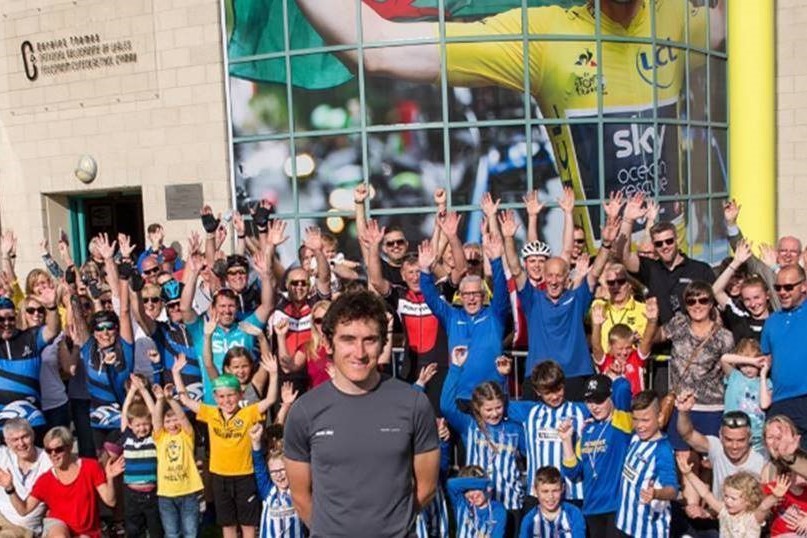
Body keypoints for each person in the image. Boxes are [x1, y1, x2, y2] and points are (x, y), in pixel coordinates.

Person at [294, 0, 724, 246]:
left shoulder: (680, 16)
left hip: (687, 271)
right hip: (606, 281)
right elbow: (380, 47)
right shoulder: (544, 35)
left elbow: (738, 28)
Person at [283, 290, 440, 537]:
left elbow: (427, 487)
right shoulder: (304, 411)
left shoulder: (414, 404)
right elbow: (301, 496)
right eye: (348, 339)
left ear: (383, 343)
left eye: (369, 339)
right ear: (328, 343)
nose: (359, 352)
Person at [516, 213, 618, 401]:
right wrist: (507, 238)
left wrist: (606, 245)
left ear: (567, 278)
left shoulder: (577, 299)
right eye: (550, 276)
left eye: (559, 276)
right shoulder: (532, 299)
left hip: (574, 376)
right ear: (544, 277)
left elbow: (594, 273)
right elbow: (516, 269)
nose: (554, 281)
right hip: (538, 377)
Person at [172, 354, 277, 538]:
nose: (226, 401)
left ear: (240, 395)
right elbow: (186, 401)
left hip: (245, 476)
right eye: (221, 396)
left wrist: (274, 374)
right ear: (215, 397)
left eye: (231, 395)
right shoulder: (211, 413)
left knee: (248, 524)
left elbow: (269, 400)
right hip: (220, 477)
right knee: (227, 525)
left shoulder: (248, 413)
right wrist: (175, 374)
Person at [419, 230, 510, 399]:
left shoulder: (495, 315)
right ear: (460, 296)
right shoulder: (452, 317)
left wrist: (497, 261)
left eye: (476, 294)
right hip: (461, 396)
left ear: (483, 296)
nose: (471, 298)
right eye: (466, 294)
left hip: (492, 397)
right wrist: (424, 271)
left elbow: (502, 291)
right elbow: (431, 299)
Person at [440, 347, 525, 511]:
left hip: (511, 504)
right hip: (479, 504)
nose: (494, 414)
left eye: (498, 408)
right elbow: (446, 406)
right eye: (489, 410)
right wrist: (456, 368)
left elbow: (531, 453)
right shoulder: (470, 426)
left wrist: (501, 378)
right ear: (478, 408)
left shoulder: (514, 429)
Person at [0, 426, 125, 538]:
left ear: (70, 447)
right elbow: (24, 510)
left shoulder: (90, 467)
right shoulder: (46, 479)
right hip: (57, 524)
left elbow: (111, 501)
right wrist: (10, 488)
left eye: (58, 449)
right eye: (49, 451)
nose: (53, 454)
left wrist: (110, 477)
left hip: (87, 530)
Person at [654, 281, 734, 451]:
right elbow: (655, 337)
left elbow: (730, 375)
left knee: (709, 462)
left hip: (712, 407)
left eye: (703, 300)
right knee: (682, 460)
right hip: (680, 405)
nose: (697, 305)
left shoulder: (724, 336)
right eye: (691, 301)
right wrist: (651, 319)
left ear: (711, 303)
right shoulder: (678, 324)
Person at [560, 375, 632, 538]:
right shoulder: (587, 430)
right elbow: (573, 473)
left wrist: (615, 377)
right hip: (591, 507)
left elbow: (623, 388)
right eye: (590, 401)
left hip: (615, 508)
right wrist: (566, 441)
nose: (594, 406)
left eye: (599, 400)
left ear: (611, 398)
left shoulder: (621, 423)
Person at [508, 360, 588, 504]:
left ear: (564, 385)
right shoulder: (529, 411)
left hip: (572, 492)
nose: (554, 396)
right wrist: (503, 377)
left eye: (558, 390)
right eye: (547, 393)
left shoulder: (580, 411)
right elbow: (497, 404)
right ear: (538, 391)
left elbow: (606, 408)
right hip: (538, 493)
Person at [616, 391, 679, 538]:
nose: (639, 426)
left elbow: (673, 490)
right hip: (625, 524)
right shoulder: (636, 438)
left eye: (645, 420)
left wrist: (656, 493)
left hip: (648, 531)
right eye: (636, 419)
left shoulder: (662, 451)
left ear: (660, 417)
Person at [676, 459, 788, 538]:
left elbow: (763, 507)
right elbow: (705, 494)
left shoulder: (753, 517)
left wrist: (775, 496)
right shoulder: (724, 510)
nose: (728, 501)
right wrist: (688, 474)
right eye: (726, 496)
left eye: (733, 498)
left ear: (748, 500)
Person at [760, 265, 807, 447]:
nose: (782, 292)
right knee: (782, 463)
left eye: (788, 287)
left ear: (803, 286)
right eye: (778, 288)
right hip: (781, 402)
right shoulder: (772, 321)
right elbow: (767, 359)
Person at [149, 382, 203, 538]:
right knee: (172, 533)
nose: (172, 424)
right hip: (166, 494)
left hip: (188, 492)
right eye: (168, 421)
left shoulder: (186, 435)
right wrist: (160, 400)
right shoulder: (160, 438)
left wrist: (171, 399)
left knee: (190, 533)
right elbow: (156, 421)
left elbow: (183, 417)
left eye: (174, 421)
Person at [119, 375, 162, 538]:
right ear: (130, 425)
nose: (142, 428)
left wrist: (143, 390)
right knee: (133, 531)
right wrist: (132, 391)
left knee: (156, 529)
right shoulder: (127, 437)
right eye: (138, 425)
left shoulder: (154, 437)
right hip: (131, 494)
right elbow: (125, 413)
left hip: (152, 493)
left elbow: (154, 412)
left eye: (145, 424)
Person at [591, 297, 658, 396]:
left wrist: (652, 321)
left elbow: (647, 341)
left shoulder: (636, 358)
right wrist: (597, 325)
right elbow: (596, 346)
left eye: (628, 348)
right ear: (611, 346)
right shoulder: (606, 362)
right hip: (613, 409)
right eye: (620, 349)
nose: (624, 352)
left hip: (635, 407)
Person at [249, 423, 305, 538]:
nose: (278, 475)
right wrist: (255, 442)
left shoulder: (298, 489)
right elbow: (259, 465)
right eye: (274, 472)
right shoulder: (267, 490)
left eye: (282, 470)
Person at [713, 240, 773, 342]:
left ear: (767, 295)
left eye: (756, 297)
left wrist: (774, 268)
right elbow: (716, 291)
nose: (753, 304)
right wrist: (736, 262)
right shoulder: (739, 315)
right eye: (747, 299)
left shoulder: (778, 319)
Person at [0, 419, 51, 537]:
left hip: (22, 527)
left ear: (32, 435)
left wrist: (9, 487)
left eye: (24, 437)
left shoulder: (47, 460)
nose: (21, 443)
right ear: (7, 442)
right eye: (15, 440)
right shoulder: (4, 454)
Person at [720, 339, 773, 453]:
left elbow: (764, 404)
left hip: (756, 439)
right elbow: (724, 358)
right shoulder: (735, 376)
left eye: (752, 366)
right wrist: (752, 361)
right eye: (744, 365)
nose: (748, 369)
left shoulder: (766, 383)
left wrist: (763, 375)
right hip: (733, 433)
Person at [519, 466, 586, 538]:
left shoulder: (573, 514)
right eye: (545, 491)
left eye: (555, 490)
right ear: (535, 491)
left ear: (562, 488)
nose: (550, 496)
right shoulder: (529, 520)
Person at [446, 465, 507, 538]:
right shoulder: (461, 503)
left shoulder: (498, 510)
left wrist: (484, 484)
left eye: (476, 488)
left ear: (486, 488)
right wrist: (484, 483)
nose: (472, 494)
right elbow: (450, 484)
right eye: (467, 490)